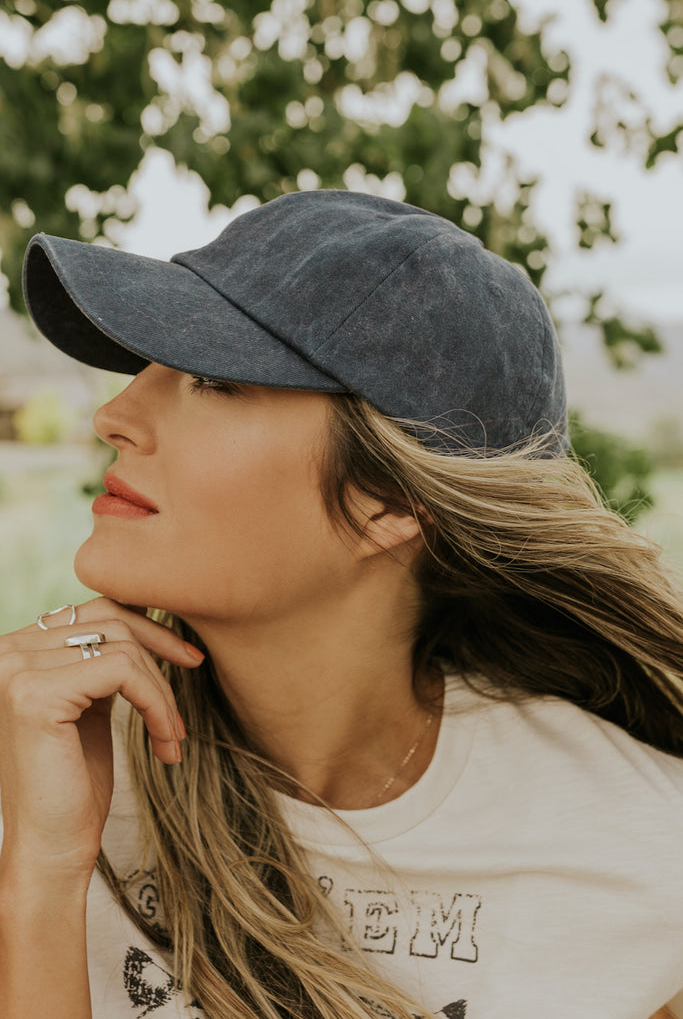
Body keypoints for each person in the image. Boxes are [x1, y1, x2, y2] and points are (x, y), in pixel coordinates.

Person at [1, 190, 682, 1019]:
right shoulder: (33, 767)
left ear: (385, 502)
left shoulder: (639, 854)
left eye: (212, 380)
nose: (114, 415)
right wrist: (41, 874)